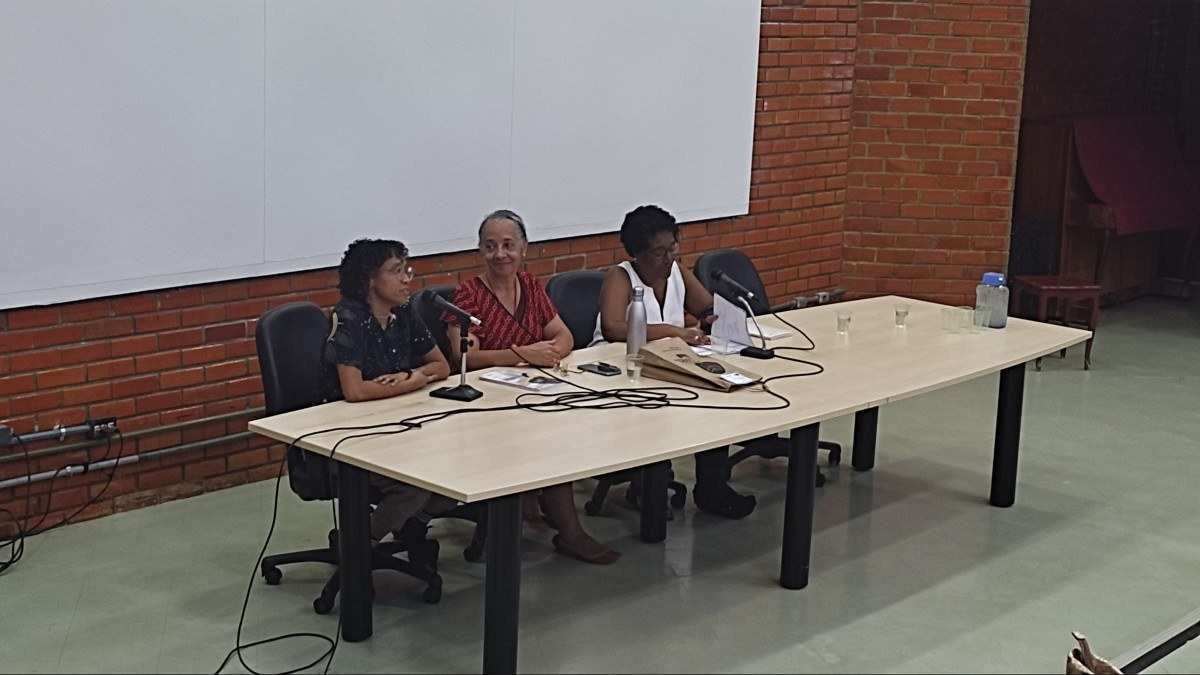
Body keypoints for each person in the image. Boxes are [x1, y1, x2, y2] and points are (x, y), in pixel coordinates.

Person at [444, 209, 620, 564]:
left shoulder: (531, 285)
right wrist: (525, 353)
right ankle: (570, 533)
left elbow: (563, 334)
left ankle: (538, 504)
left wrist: (553, 350)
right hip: (485, 403)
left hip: (531, 389)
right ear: (480, 251)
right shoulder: (468, 295)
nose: (500, 255)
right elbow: (467, 357)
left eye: (509, 245)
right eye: (490, 246)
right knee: (549, 442)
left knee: (566, 424)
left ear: (524, 248)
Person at [594, 204, 756, 519]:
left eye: (673, 249)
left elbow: (704, 307)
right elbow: (613, 327)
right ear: (636, 253)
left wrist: (714, 319)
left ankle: (712, 489)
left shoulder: (676, 272)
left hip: (669, 366)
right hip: (622, 371)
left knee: (715, 399)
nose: (668, 258)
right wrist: (673, 331)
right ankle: (645, 486)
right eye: (658, 253)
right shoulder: (621, 276)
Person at [323, 238, 458, 557]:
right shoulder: (350, 318)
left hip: (398, 423)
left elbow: (441, 365)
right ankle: (358, 546)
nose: (406, 279)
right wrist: (413, 381)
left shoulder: (404, 312)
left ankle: (410, 522)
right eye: (396, 272)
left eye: (406, 270)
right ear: (369, 279)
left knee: (454, 469)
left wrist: (413, 376)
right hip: (347, 435)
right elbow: (355, 391)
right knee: (415, 484)